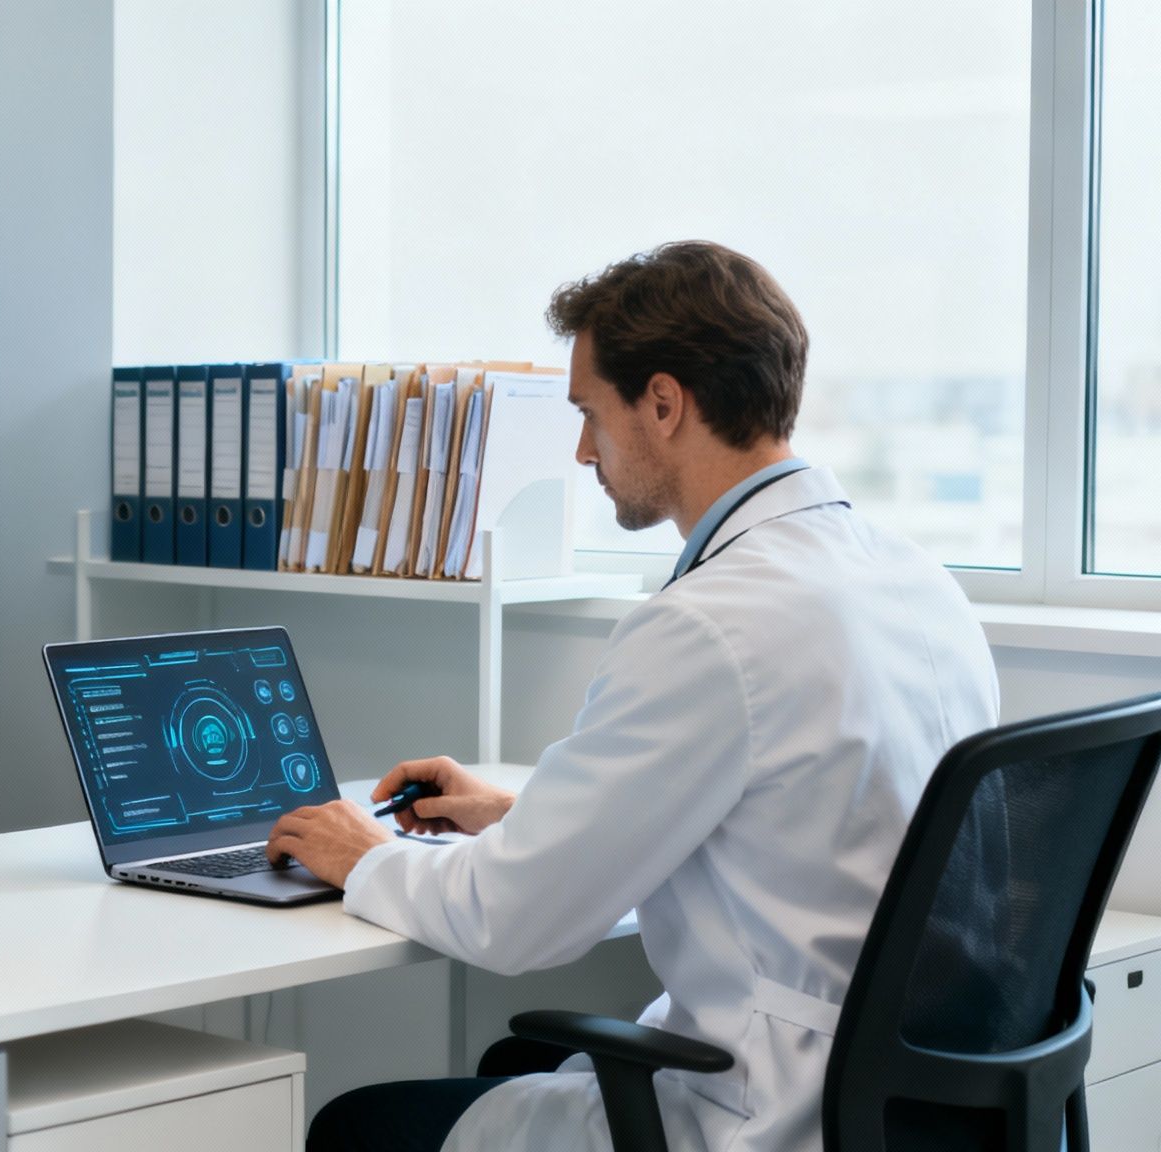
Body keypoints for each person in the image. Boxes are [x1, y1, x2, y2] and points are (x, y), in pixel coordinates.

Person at [266, 241, 999, 1152]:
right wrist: (520, 817)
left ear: (663, 403)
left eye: (588, 413)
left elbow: (514, 922)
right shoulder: (915, 579)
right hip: (919, 1100)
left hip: (776, 1112)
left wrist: (364, 854)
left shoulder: (708, 625)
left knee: (355, 1127)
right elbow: (794, 819)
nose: (581, 451)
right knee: (509, 1064)